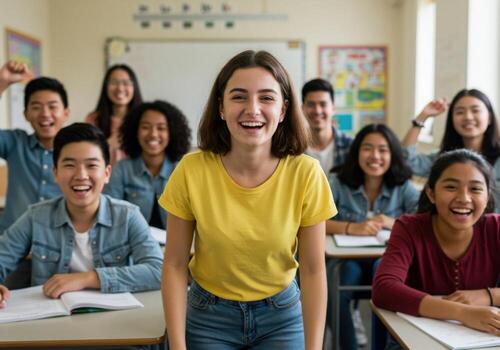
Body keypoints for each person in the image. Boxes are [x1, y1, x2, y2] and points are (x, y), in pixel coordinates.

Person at [160, 50, 336, 350]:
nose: (252, 109)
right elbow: (175, 264)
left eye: (266, 98)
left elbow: (313, 270)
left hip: (281, 316)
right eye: (239, 97)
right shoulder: (191, 169)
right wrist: (177, 347)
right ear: (221, 107)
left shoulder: (306, 172)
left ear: (283, 110)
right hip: (208, 316)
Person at [0, 123, 163, 308]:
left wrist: (88, 279)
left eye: (91, 165)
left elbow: (159, 271)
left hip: (114, 322)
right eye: (69, 165)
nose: (81, 175)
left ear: (107, 173)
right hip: (50, 324)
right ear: (55, 172)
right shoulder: (36, 216)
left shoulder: (128, 216)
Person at [373, 149, 500, 349]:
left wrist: (488, 295)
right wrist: (462, 312)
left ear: (487, 196)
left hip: (481, 341)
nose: (464, 198)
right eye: (451, 187)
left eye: (475, 189)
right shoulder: (409, 227)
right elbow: (384, 289)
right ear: (431, 193)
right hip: (412, 340)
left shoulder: (496, 227)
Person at [326, 124, 419, 350]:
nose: (375, 156)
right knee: (337, 279)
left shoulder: (403, 185)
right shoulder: (338, 182)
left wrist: (393, 222)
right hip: (349, 259)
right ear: (357, 152)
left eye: (382, 150)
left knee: (384, 278)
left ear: (392, 154)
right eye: (367, 148)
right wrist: (350, 227)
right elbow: (314, 221)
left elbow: (425, 223)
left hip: (387, 260)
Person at [401, 89, 500, 211]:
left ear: (489, 117)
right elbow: (405, 161)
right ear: (452, 119)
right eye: (460, 112)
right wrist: (422, 117)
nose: (468, 117)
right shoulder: (444, 159)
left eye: (475, 110)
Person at [0, 61, 69, 233]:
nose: (45, 114)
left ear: (66, 113)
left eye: (52, 106)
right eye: (36, 107)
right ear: (26, 114)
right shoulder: (15, 143)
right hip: (11, 244)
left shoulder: (76, 153)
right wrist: (2, 83)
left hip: (57, 246)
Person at [105, 100, 191, 229]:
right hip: (131, 245)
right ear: (135, 131)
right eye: (145, 127)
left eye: (161, 128)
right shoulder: (122, 169)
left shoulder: (182, 170)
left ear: (171, 133)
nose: (153, 134)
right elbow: (109, 214)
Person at [86, 64, 143, 165]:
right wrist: (109, 144)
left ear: (134, 87)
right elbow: (87, 156)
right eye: (114, 82)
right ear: (106, 87)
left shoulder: (144, 118)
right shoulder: (93, 119)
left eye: (126, 83)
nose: (120, 88)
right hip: (104, 179)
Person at [301, 78, 353, 174]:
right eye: (311, 104)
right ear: (303, 108)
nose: (317, 111)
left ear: (333, 108)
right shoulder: (292, 147)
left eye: (323, 104)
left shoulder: (351, 146)